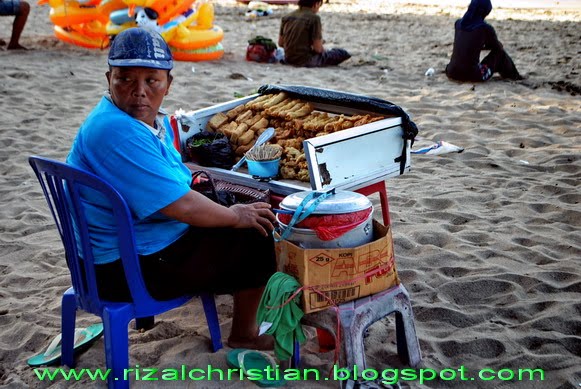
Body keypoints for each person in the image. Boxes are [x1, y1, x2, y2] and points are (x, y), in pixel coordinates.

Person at [66, 28, 276, 350]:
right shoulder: (117, 131)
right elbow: (184, 208)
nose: (139, 92)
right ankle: (244, 333)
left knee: (227, 206)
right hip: (121, 271)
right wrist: (235, 216)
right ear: (109, 79)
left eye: (151, 81)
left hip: (116, 253)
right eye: (125, 79)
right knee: (255, 234)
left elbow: (173, 177)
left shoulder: (133, 119)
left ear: (168, 84)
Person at [445, 0, 522, 82]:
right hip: (472, 75)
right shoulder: (485, 28)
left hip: (451, 72)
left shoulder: (458, 24)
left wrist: (478, 45)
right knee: (500, 54)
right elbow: (497, 47)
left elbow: (467, 44)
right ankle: (515, 77)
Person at [278, 0, 350, 67]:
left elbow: (281, 43)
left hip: (288, 59)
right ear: (316, 4)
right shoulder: (314, 18)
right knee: (341, 53)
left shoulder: (286, 17)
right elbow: (318, 49)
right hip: (306, 60)